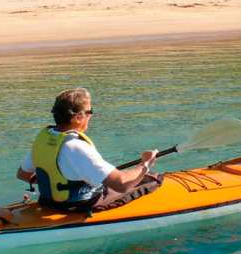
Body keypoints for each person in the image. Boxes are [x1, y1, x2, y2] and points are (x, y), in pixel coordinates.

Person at [17, 88, 161, 212]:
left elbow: (23, 174)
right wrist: (145, 164)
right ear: (79, 117)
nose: (90, 115)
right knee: (153, 179)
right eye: (89, 111)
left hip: (48, 202)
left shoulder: (44, 141)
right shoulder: (77, 146)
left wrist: (51, 182)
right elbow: (122, 184)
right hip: (78, 206)